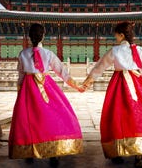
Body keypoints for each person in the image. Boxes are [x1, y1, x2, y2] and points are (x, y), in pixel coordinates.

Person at [82, 21, 142, 167]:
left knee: (117, 117)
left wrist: (89, 80)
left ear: (121, 35)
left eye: (116, 35)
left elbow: (101, 66)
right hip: (138, 86)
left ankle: (117, 151)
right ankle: (139, 156)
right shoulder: (140, 51)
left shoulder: (115, 51)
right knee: (138, 118)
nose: (115, 38)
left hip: (119, 87)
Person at [8, 23, 85, 166]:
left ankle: (28, 151)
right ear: (43, 36)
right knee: (52, 117)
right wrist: (76, 85)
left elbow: (20, 75)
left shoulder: (23, 54)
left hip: (28, 89)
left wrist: (20, 92)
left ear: (29, 37)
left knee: (28, 120)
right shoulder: (49, 54)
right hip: (46, 86)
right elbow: (62, 72)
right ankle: (53, 153)